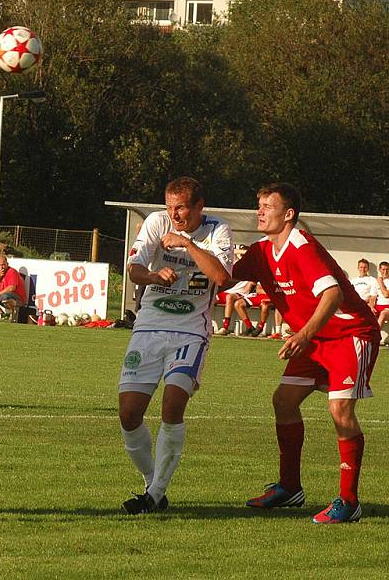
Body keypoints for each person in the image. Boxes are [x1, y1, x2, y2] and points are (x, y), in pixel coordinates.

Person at [234, 182, 379, 524]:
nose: (260, 211)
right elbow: (223, 278)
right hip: (314, 339)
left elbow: (333, 296)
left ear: (289, 214)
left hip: (349, 333)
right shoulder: (260, 251)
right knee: (283, 400)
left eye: (268, 205)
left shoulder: (301, 245)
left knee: (340, 409)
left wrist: (302, 334)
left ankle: (349, 501)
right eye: (259, 204)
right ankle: (289, 487)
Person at [118, 176, 232, 514]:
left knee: (172, 406)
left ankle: (154, 495)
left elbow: (222, 278)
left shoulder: (218, 230)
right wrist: (153, 276)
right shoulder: (156, 222)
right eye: (170, 207)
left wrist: (186, 244)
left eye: (181, 208)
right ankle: (153, 482)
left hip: (190, 332)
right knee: (129, 414)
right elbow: (134, 268)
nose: (174, 214)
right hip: (149, 327)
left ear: (199, 206)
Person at [0, 255, 27, 320]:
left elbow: (12, 288)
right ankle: (1, 314)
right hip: (4, 296)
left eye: (3, 265)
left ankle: (13, 314)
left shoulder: (12, 271)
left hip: (18, 299)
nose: (1, 267)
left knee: (5, 296)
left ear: (7, 264)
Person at [375, 261, 389, 342]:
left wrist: (380, 283)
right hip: (378, 306)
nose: (385, 271)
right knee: (368, 313)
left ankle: (375, 337)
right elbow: (373, 296)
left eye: (387, 269)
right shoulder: (375, 281)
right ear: (380, 270)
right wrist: (371, 306)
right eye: (383, 269)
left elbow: (386, 294)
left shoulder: (379, 281)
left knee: (383, 314)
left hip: (387, 307)